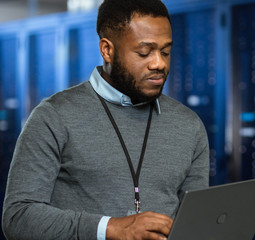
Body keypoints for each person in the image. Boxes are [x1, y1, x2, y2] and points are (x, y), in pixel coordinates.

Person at [2, 0, 210, 239]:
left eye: (165, 51)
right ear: (107, 50)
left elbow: (195, 221)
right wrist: (111, 228)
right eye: (144, 52)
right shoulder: (53, 116)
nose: (159, 63)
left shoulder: (189, 125)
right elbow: (18, 217)